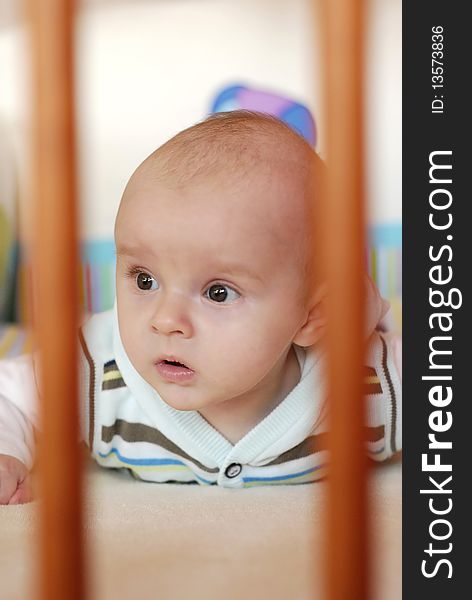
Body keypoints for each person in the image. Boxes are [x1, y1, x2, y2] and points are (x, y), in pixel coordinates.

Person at [0, 111, 402, 504]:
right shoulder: (95, 371)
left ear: (314, 315)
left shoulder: (369, 381)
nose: (165, 320)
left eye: (218, 293)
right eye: (144, 280)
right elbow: (12, 396)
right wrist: (7, 453)